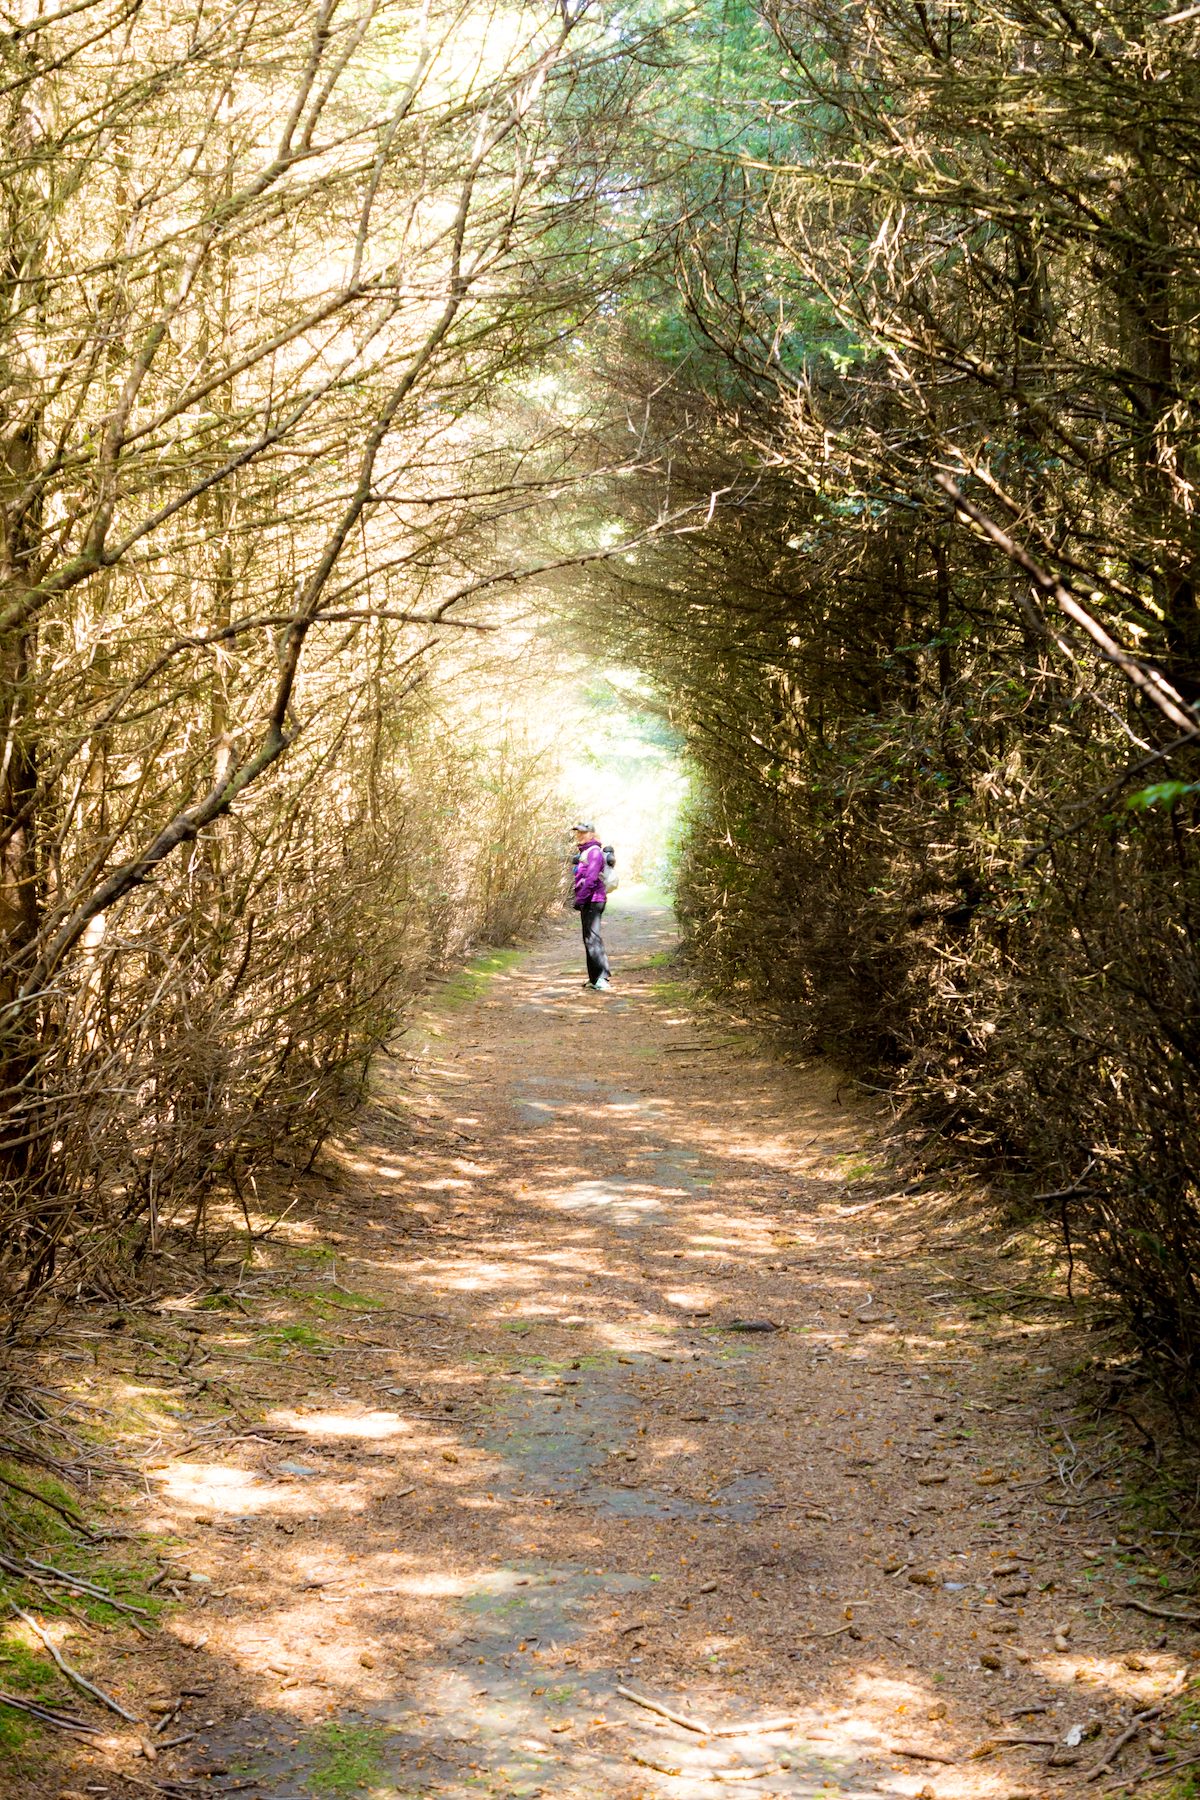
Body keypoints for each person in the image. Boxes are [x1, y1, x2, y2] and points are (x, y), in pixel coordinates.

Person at [572, 821, 611, 992]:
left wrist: (580, 899)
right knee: (588, 939)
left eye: (583, 833)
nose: (579, 835)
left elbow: (591, 879)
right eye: (578, 833)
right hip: (588, 900)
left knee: (593, 939)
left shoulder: (594, 852)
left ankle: (602, 978)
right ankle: (593, 978)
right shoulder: (585, 852)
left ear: (592, 834)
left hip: (593, 900)